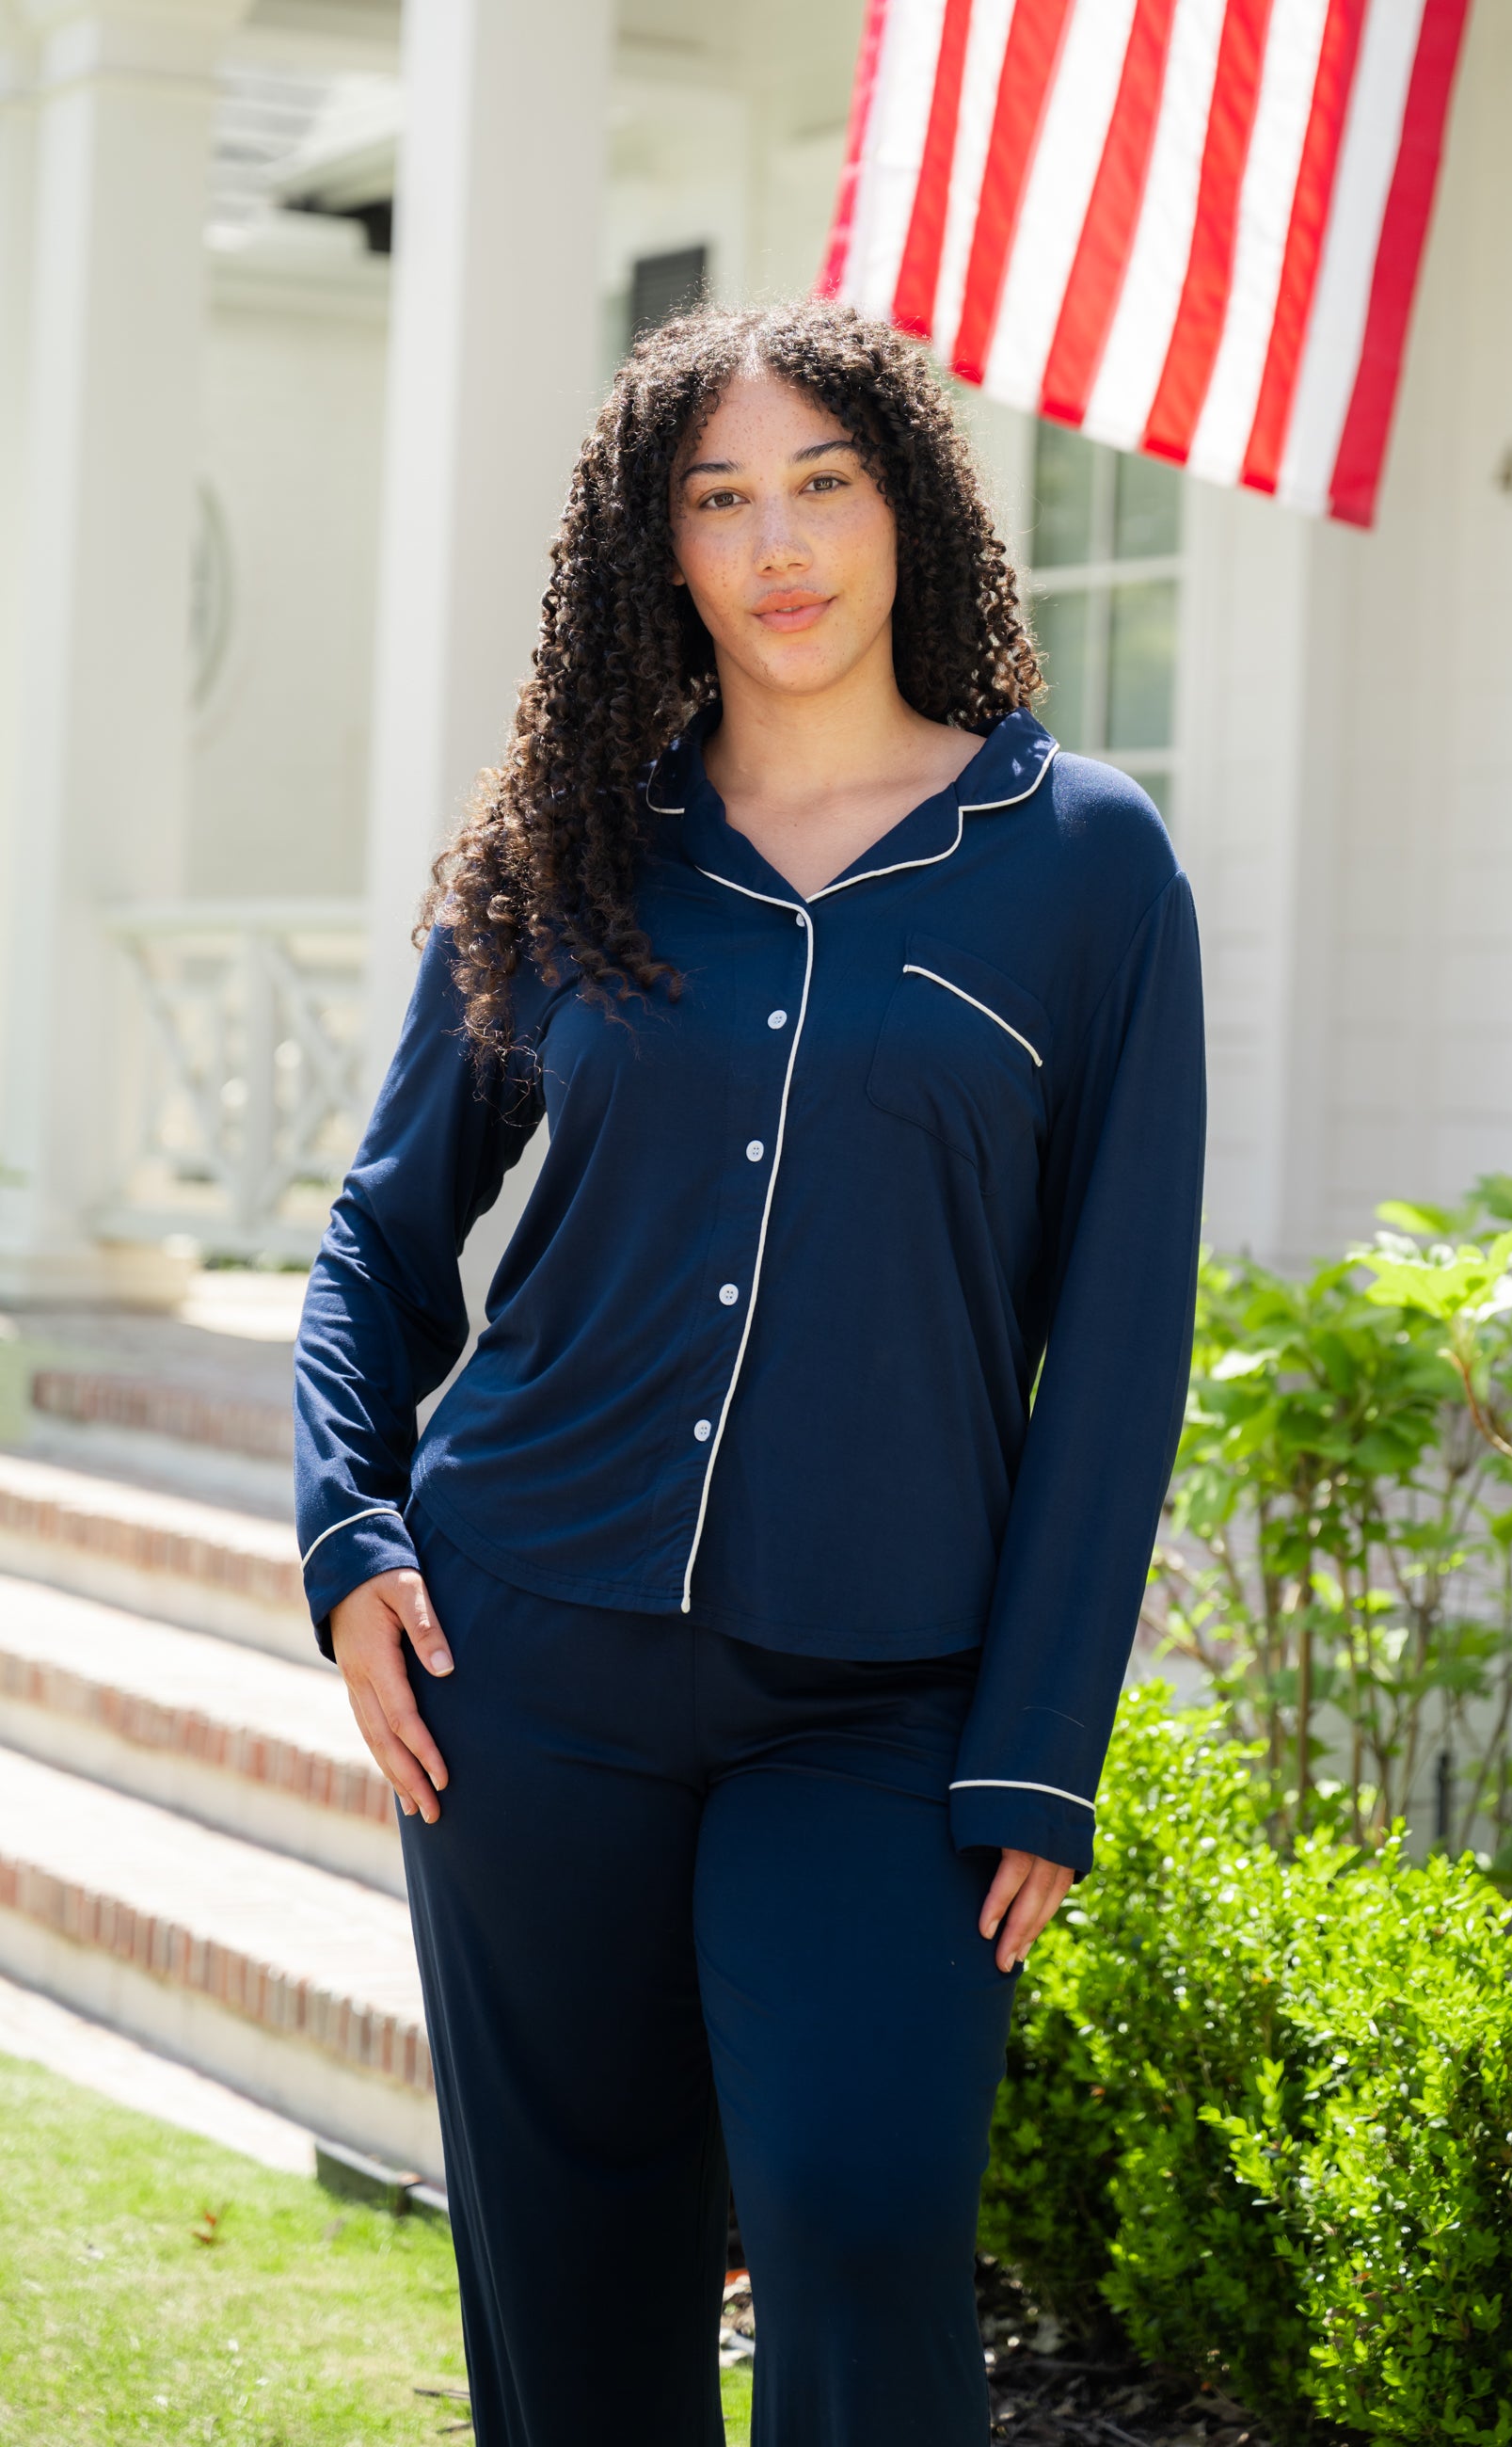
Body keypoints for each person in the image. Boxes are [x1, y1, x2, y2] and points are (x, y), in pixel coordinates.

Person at [294, 300, 1206, 2447]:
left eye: (822, 482)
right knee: (574, 2288)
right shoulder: (571, 846)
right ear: (660, 553)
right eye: (718, 499)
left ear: (908, 510)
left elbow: (1122, 1338)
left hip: (884, 1701)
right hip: (529, 1669)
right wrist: (348, 1534)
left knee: (861, 2216)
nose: (777, 542)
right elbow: (381, 1233)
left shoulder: (1082, 868)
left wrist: (1038, 1750)